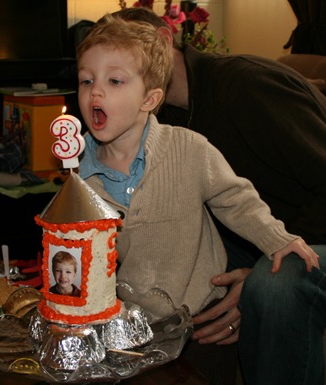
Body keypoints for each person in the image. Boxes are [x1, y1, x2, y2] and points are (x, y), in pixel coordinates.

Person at [76, 14, 324, 384]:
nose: (97, 91)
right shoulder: (93, 161)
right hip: (138, 309)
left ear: (150, 95)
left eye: (115, 79)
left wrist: (272, 246)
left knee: (273, 284)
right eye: (86, 80)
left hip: (302, 235)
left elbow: (234, 197)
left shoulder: (244, 91)